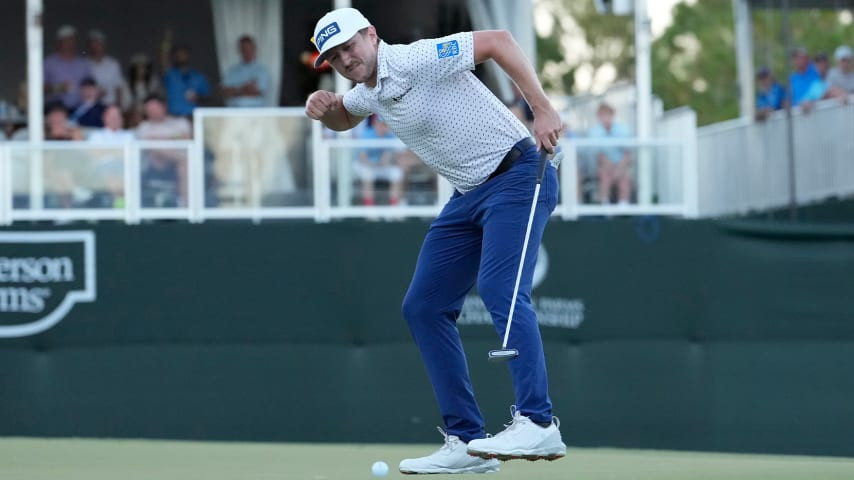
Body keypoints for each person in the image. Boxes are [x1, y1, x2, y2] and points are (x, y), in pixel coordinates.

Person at [305, 8, 565, 475]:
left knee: (502, 289)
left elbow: (500, 41)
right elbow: (347, 115)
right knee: (423, 306)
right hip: (467, 196)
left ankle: (538, 420)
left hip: (519, 175)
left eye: (349, 46)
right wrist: (327, 113)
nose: (345, 59)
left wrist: (541, 108)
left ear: (372, 35)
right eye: (334, 56)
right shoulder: (368, 91)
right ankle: (467, 441)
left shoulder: (416, 58)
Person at [136, 94, 191, 207]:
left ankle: (186, 204)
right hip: (154, 163)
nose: (152, 112)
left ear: (163, 107)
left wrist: (159, 139)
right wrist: (174, 138)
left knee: (184, 165)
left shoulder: (180, 122)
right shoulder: (144, 126)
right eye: (149, 110)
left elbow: (187, 136)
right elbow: (146, 144)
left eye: (154, 108)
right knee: (156, 149)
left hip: (178, 163)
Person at [355, 115, 404, 206]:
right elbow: (362, 157)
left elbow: (390, 156)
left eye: (385, 124)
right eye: (380, 123)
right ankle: (369, 208)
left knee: (396, 173)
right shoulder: (367, 134)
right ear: (375, 123)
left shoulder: (389, 136)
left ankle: (393, 207)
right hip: (365, 165)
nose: (382, 126)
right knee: (367, 174)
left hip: (381, 166)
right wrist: (374, 165)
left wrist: (385, 161)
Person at [588, 103, 632, 204]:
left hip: (622, 165)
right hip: (604, 166)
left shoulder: (622, 130)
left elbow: (627, 153)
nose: (605, 118)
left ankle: (623, 206)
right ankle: (605, 206)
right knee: (604, 177)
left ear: (612, 115)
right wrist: (611, 168)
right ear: (599, 117)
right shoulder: (595, 132)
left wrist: (619, 168)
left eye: (607, 115)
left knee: (624, 178)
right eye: (602, 115)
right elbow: (599, 155)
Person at [43, 25, 92, 110]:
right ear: (59, 42)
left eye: (72, 39)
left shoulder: (83, 64)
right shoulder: (48, 63)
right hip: (54, 109)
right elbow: (38, 88)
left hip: (78, 110)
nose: (70, 43)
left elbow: (90, 86)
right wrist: (58, 88)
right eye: (66, 40)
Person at [221, 35, 272, 107]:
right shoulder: (231, 71)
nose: (247, 51)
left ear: (254, 49)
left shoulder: (262, 71)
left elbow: (256, 93)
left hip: (255, 113)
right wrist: (244, 88)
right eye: (243, 49)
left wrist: (235, 90)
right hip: (234, 113)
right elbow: (224, 93)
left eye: (249, 48)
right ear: (239, 50)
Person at [163, 45, 210, 116]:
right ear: (174, 57)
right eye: (178, 55)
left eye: (183, 54)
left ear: (188, 56)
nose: (181, 57)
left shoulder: (198, 76)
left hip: (194, 115)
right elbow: (164, 59)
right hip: (173, 117)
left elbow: (207, 97)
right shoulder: (170, 74)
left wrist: (198, 97)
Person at [86, 29, 129, 108]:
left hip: (110, 106)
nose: (97, 46)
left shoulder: (113, 64)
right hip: (91, 106)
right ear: (89, 45)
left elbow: (118, 87)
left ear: (104, 45)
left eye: (99, 43)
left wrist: (117, 106)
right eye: (94, 43)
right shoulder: (84, 64)